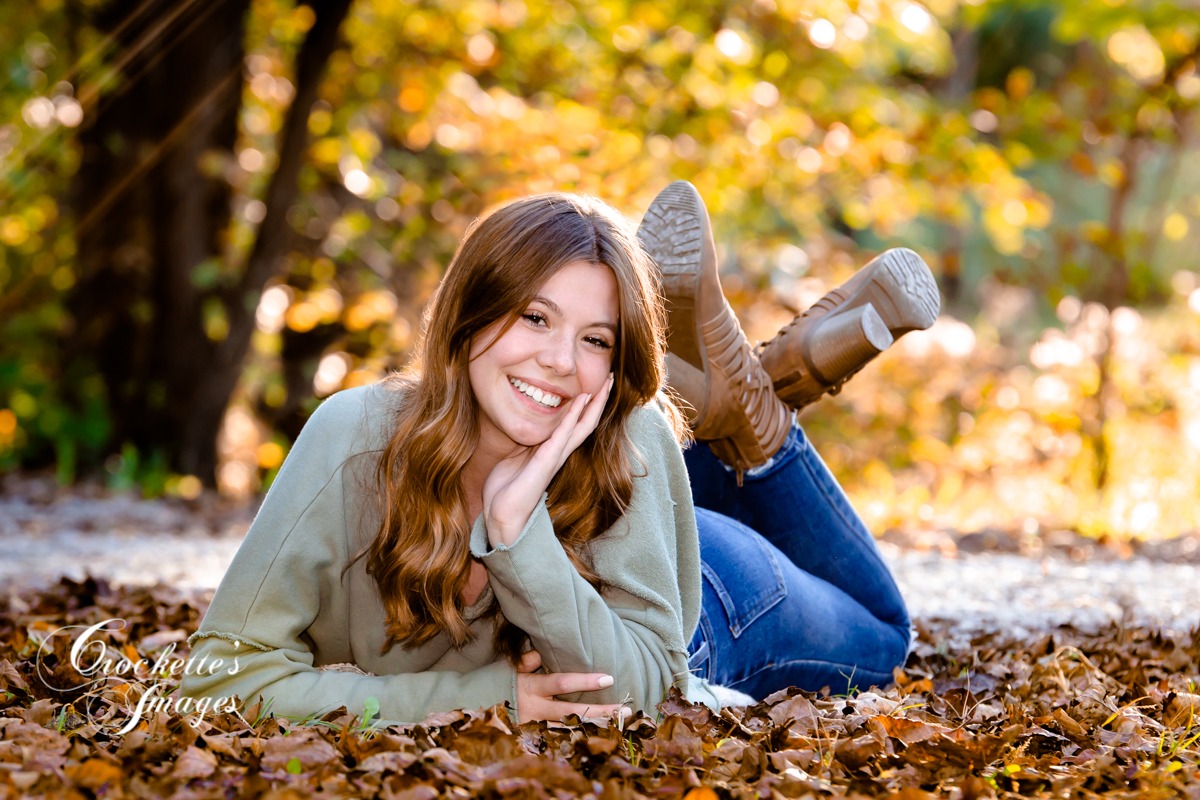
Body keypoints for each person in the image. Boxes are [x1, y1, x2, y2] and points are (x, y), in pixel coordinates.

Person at [181, 183, 937, 725]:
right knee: (637, 431)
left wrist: (517, 533)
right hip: (637, 514)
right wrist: (467, 698)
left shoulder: (625, 431)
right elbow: (218, 680)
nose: (557, 360)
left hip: (705, 610)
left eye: (596, 341)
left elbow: (641, 691)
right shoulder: (355, 437)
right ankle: (739, 404)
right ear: (467, 316)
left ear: (615, 367)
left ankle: (757, 434)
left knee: (884, 636)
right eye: (534, 317)